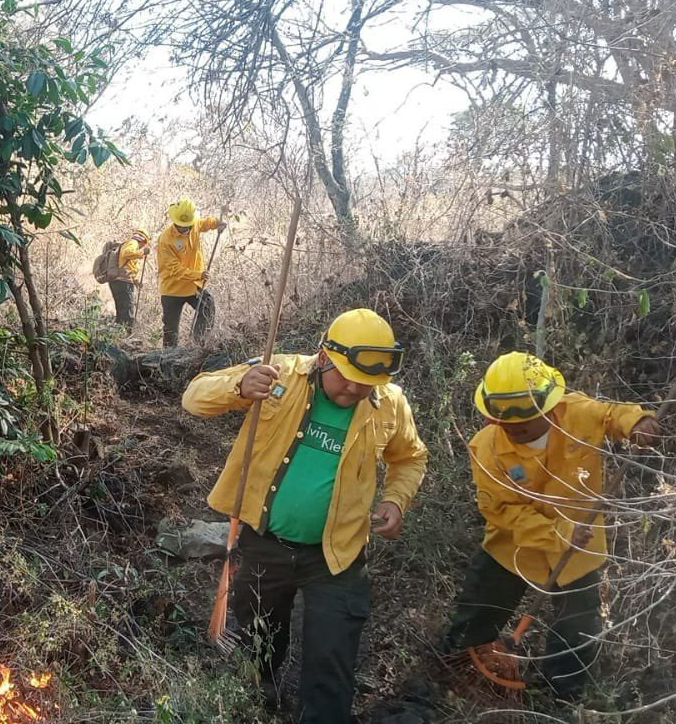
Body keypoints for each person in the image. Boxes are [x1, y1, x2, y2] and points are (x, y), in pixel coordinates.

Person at [181, 308, 428, 724]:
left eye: (365, 383)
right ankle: (258, 701)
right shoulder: (279, 373)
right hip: (265, 545)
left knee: (331, 657)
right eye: (346, 376)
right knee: (259, 641)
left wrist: (395, 500)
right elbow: (194, 397)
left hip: (338, 556)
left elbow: (411, 458)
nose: (353, 388)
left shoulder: (390, 404)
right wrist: (239, 385)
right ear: (323, 357)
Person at [440, 352, 660, 700]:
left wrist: (638, 422)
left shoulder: (578, 413)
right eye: (499, 421)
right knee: (479, 610)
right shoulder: (487, 448)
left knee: (577, 628)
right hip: (512, 547)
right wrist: (557, 531)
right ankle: (451, 676)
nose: (509, 430)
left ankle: (560, 698)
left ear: (546, 409)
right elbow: (501, 510)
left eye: (521, 424)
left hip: (579, 552)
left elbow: (612, 414)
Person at [156, 198, 224, 347]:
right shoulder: (165, 240)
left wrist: (216, 223)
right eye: (181, 226)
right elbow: (174, 268)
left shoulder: (194, 224)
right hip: (172, 289)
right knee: (170, 331)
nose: (185, 229)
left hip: (193, 286)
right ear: (175, 221)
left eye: (188, 225)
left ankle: (196, 345)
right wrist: (198, 275)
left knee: (207, 306)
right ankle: (168, 359)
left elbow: (204, 223)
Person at [109, 228, 151, 329]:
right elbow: (127, 253)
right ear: (143, 241)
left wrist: (136, 281)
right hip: (123, 282)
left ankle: (119, 333)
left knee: (121, 310)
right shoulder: (133, 243)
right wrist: (142, 252)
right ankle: (128, 335)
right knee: (128, 310)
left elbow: (128, 266)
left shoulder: (127, 243)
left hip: (118, 281)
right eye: (144, 245)